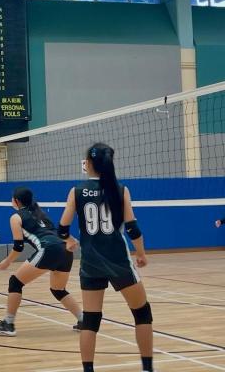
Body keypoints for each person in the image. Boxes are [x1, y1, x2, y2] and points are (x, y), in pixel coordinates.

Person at [58, 143, 153, 372]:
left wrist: (69, 240)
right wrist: (141, 253)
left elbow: (61, 229)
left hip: (90, 263)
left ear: (88, 163)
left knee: (90, 320)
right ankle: (147, 369)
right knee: (142, 314)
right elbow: (132, 229)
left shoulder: (76, 191)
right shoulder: (121, 190)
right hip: (119, 262)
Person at [0, 187, 82, 336]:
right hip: (65, 249)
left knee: (15, 283)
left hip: (49, 249)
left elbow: (18, 247)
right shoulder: (40, 214)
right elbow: (56, 233)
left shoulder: (16, 217)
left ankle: (8, 324)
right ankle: (83, 321)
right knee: (58, 289)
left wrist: (7, 261)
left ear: (16, 201)